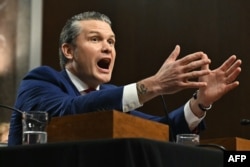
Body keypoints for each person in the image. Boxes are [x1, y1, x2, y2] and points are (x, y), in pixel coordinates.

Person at [8, 11, 241, 146]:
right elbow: (67, 111)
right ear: (68, 51)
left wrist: (199, 104)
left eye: (111, 41)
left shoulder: (110, 95)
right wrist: (154, 85)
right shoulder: (40, 80)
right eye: (95, 39)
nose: (108, 48)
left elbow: (162, 131)